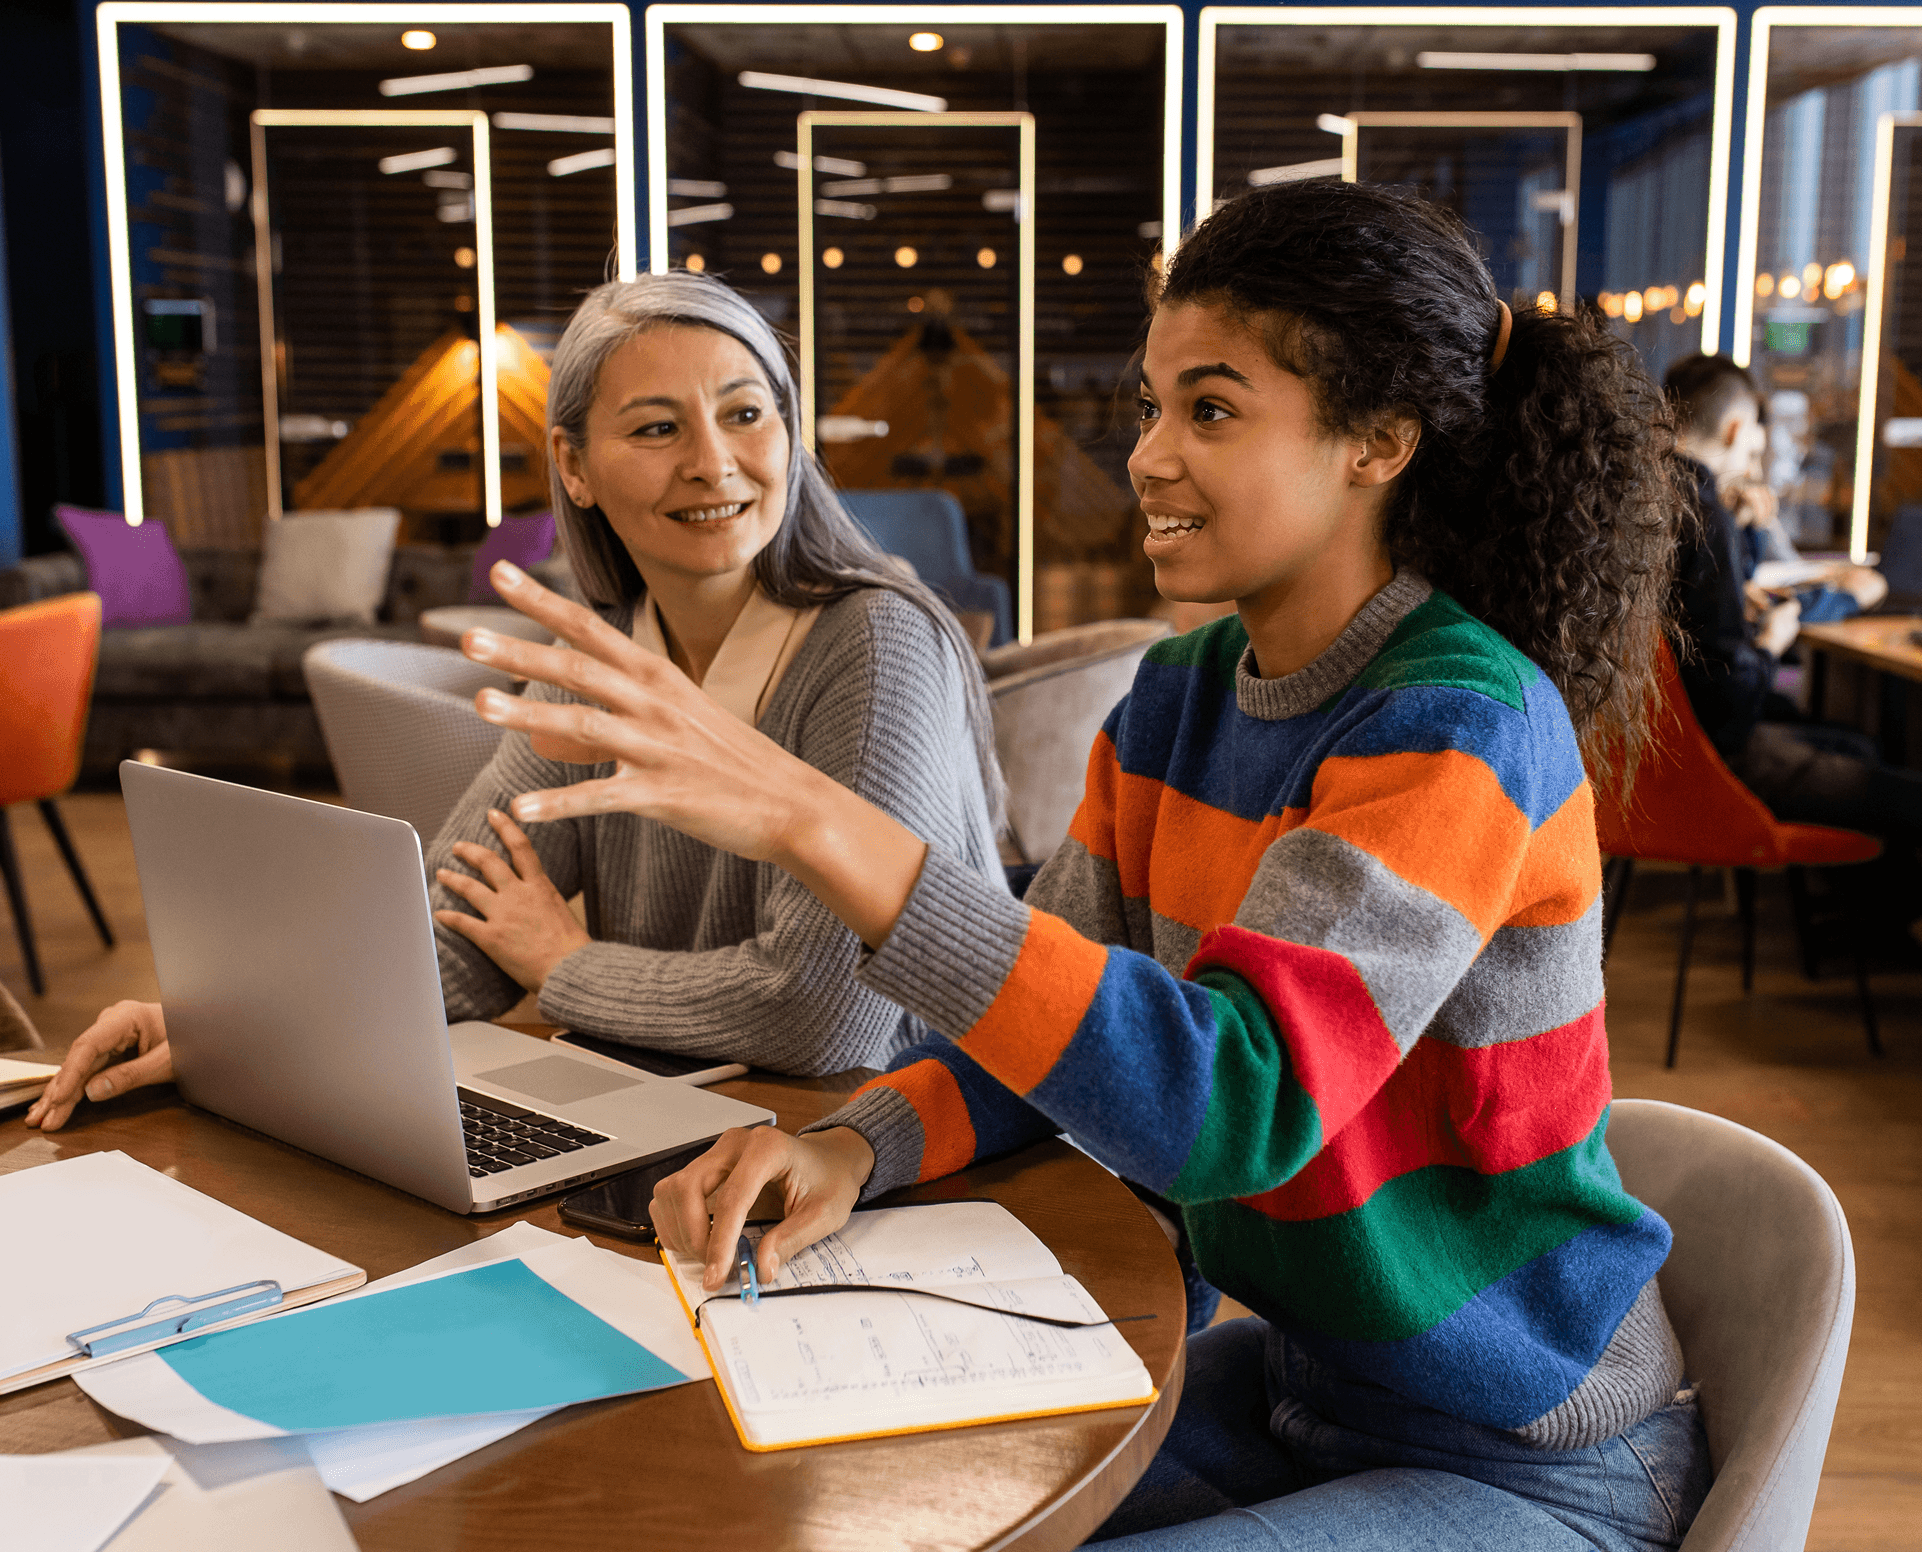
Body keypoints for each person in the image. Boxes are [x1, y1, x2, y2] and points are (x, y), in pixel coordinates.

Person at [456, 180, 1710, 1548]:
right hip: (1310, 1384)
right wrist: (846, 1145)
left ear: (1380, 441)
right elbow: (1035, 1032)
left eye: (1211, 410)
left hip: (1518, 1453)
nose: (1149, 458)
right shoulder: (1182, 695)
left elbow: (1236, 1101)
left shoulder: (1458, 724)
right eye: (1151, 408)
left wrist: (821, 823)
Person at [26, 271, 1005, 1130]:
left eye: (745, 413)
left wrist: (565, 965)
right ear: (573, 466)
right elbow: (458, 927)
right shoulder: (602, 649)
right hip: (694, 1124)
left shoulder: (875, 643)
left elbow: (819, 1015)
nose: (712, 462)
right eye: (657, 427)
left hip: (887, 1150)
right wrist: (222, 1026)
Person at [1663, 354, 1922, 1007]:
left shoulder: (1647, 495)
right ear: (1733, 430)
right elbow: (1729, 692)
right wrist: (1773, 644)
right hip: (1716, 758)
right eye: (1756, 434)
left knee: (1859, 752)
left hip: (1655, 752)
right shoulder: (1701, 508)